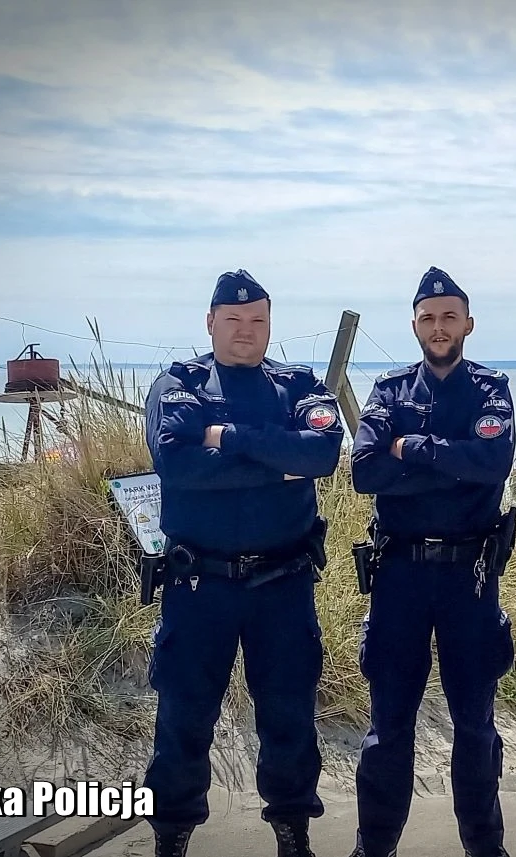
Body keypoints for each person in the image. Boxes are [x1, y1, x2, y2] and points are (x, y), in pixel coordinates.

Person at [142, 269, 344, 857]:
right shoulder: (179, 384)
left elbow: (323, 453)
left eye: (257, 320)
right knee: (183, 717)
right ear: (210, 323)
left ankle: (292, 833)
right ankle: (171, 836)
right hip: (200, 583)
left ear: (269, 325)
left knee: (289, 717)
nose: (245, 331)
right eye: (232, 320)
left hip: (283, 584)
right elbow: (177, 466)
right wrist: (279, 459)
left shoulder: (299, 384)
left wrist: (223, 438)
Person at [348, 267, 516, 857]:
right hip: (399, 579)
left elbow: (493, 461)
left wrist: (411, 450)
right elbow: (365, 472)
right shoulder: (390, 392)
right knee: (388, 727)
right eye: (428, 317)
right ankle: (375, 847)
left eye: (449, 316)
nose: (439, 327)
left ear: (468, 323)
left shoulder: (491, 389)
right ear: (415, 325)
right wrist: (453, 462)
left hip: (470, 581)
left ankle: (483, 847)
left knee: (475, 728)